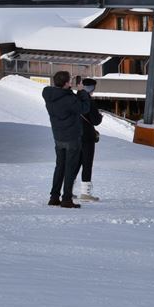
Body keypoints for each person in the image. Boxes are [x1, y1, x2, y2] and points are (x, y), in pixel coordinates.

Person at [41, 71, 91, 208]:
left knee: (60, 166)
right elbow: (84, 108)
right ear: (66, 83)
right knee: (70, 168)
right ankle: (67, 199)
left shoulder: (49, 94)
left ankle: (54, 197)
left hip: (58, 136)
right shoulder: (69, 99)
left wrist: (71, 90)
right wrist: (82, 92)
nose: (71, 82)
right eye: (70, 80)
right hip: (72, 138)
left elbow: (67, 99)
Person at [78, 78, 103, 202]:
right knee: (87, 163)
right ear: (92, 88)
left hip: (74, 135)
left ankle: (68, 191)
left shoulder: (75, 98)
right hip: (87, 136)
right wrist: (100, 117)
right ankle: (85, 193)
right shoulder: (89, 101)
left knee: (74, 163)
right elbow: (95, 120)